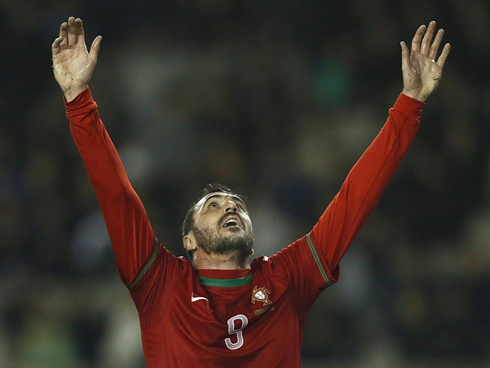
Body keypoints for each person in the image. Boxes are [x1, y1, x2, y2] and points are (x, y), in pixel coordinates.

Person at [52, 16, 450, 367]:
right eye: (214, 204)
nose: (230, 207)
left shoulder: (289, 278)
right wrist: (78, 100)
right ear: (187, 240)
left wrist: (410, 103)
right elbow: (116, 194)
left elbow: (356, 198)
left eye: (236, 205)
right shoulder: (159, 283)